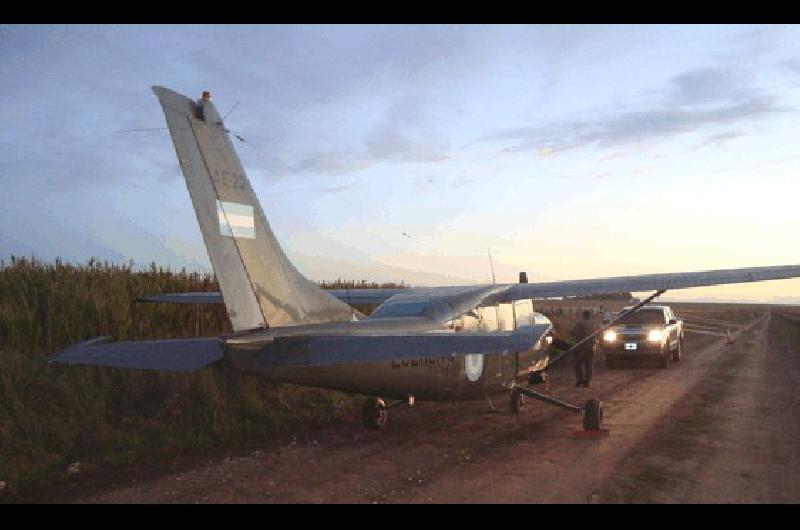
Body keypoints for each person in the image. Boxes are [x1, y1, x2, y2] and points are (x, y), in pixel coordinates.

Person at [572, 309, 598, 387]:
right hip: (591, 346)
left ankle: (580, 379)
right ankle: (587, 381)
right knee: (589, 365)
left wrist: (571, 333)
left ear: (583, 315)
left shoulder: (580, 323)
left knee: (577, 364)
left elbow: (575, 333)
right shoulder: (594, 324)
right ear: (589, 315)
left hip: (581, 346)